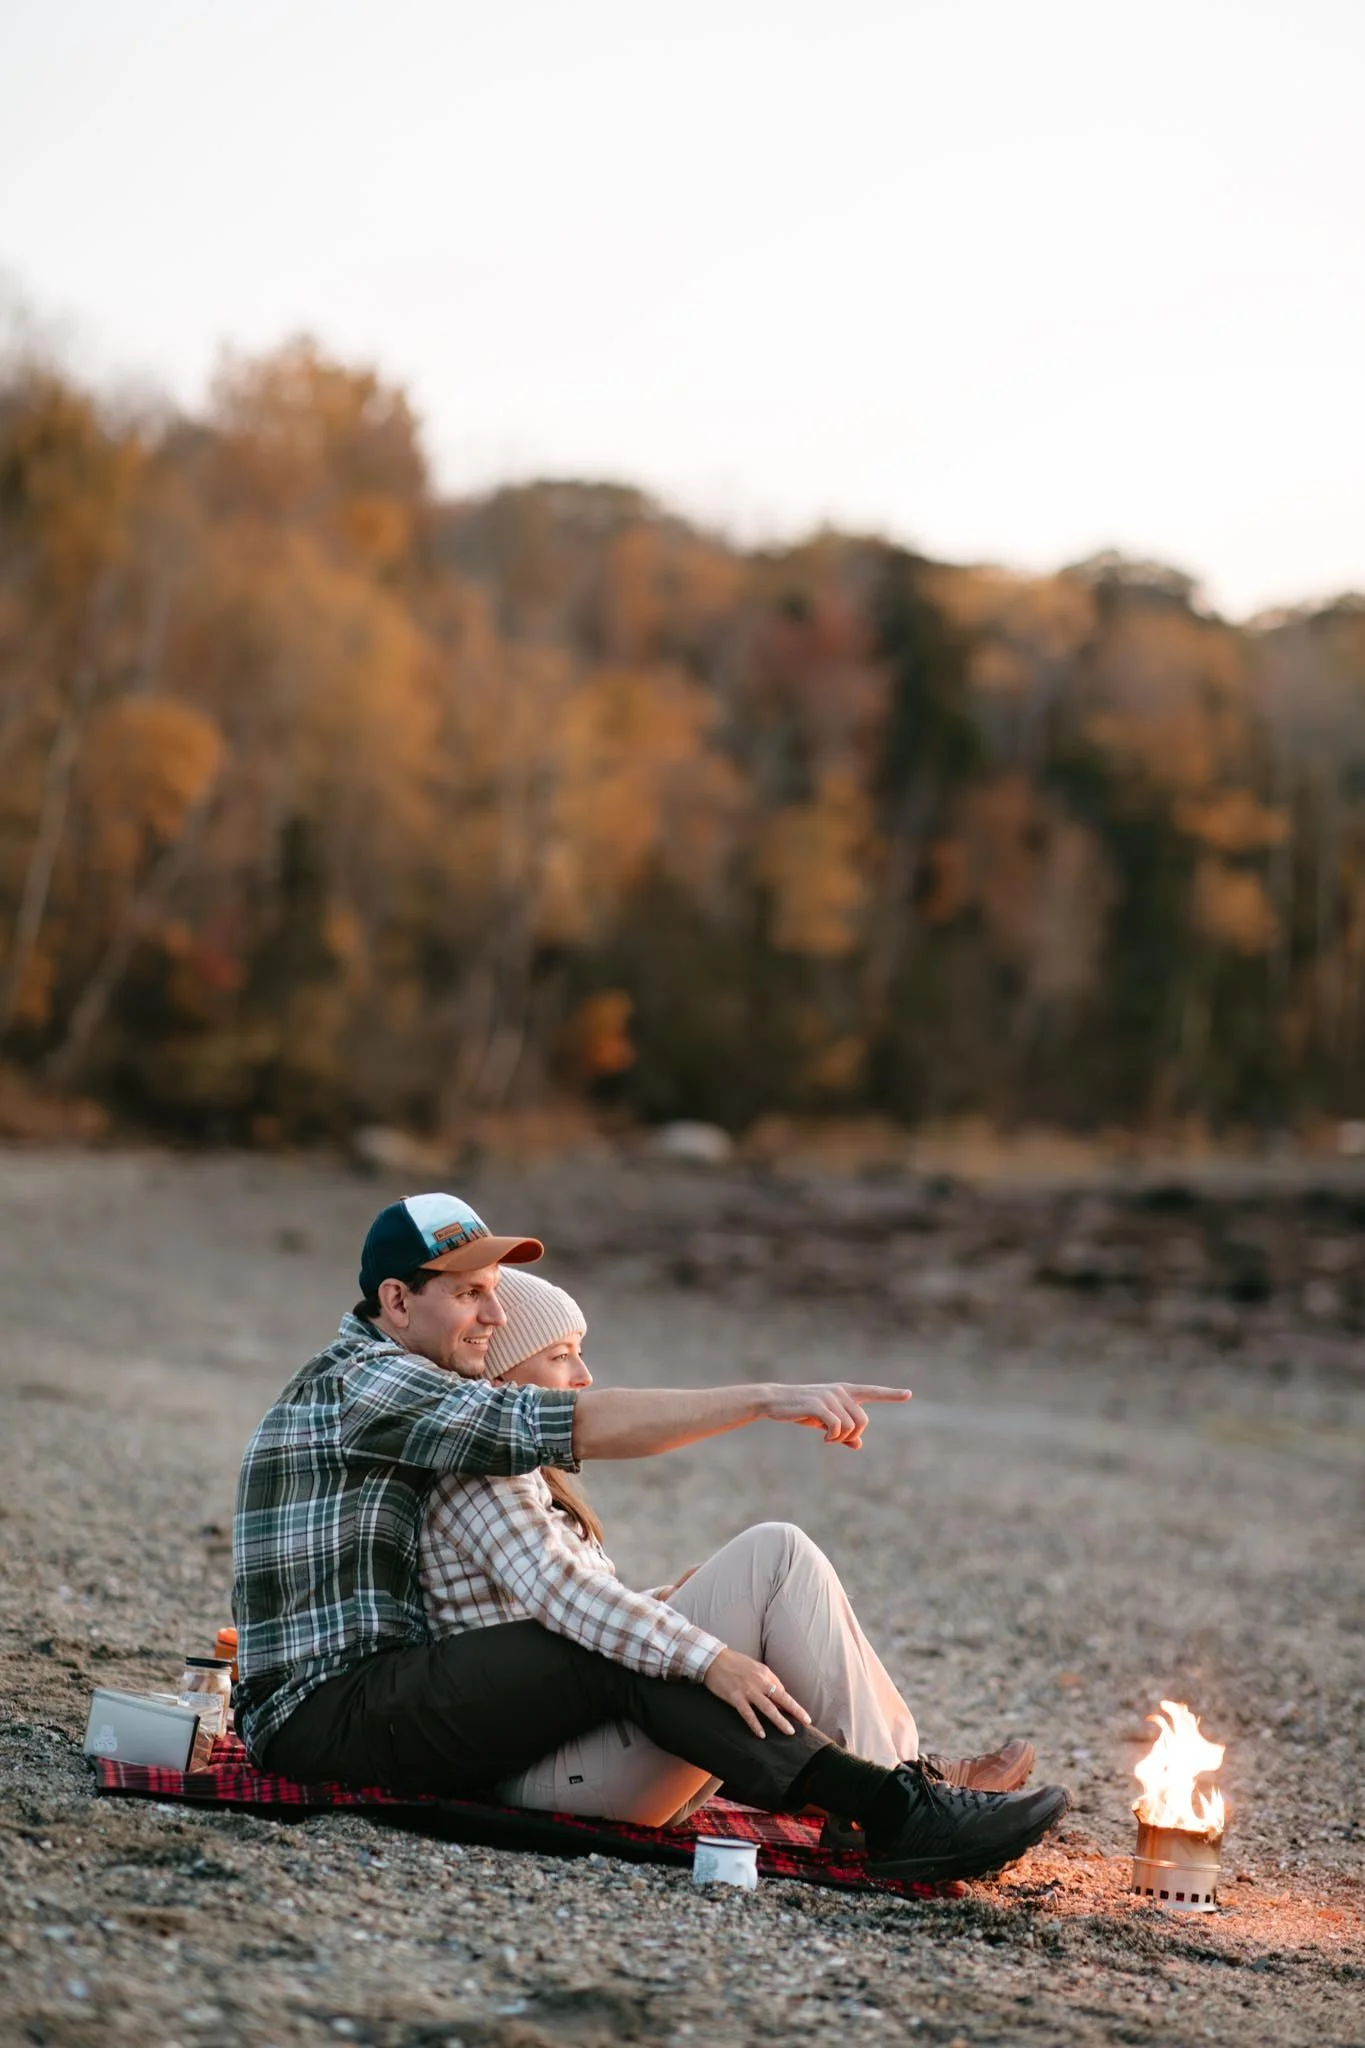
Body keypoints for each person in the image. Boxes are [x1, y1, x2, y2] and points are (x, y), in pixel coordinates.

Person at [232, 1192, 1069, 1884]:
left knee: (712, 1591)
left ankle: (897, 1789)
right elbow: (579, 1440)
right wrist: (765, 1401)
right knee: (616, 1645)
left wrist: (680, 1621)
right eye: (468, 1294)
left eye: (492, 1290)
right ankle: (891, 1807)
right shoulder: (374, 1385)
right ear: (396, 1302)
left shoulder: (409, 1390)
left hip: (381, 1701)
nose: (492, 1313)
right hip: (324, 1714)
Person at [420, 1266, 1035, 1830]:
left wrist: (669, 1600)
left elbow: (551, 1622)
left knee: (764, 1571)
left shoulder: (514, 1470)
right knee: (775, 1556)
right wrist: (710, 1655)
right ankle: (901, 1803)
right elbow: (565, 1597)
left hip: (579, 1749)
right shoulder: (480, 1477)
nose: (584, 1377)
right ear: (502, 1379)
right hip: (552, 1773)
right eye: (560, 1357)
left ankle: (897, 1777)